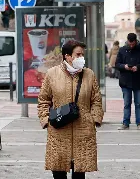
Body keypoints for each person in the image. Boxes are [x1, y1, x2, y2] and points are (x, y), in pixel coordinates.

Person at [37, 40, 104, 179]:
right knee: (58, 171)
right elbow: (43, 100)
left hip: (83, 131)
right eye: (78, 54)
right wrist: (46, 120)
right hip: (59, 131)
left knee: (80, 172)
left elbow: (96, 100)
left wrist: (94, 119)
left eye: (82, 55)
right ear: (67, 56)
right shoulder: (52, 74)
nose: (81, 58)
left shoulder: (89, 75)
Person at [115, 33, 140, 130]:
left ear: (136, 41)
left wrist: (138, 67)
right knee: (127, 103)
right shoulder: (122, 50)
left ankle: (139, 122)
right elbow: (117, 64)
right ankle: (125, 122)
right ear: (127, 41)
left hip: (138, 80)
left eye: (133, 44)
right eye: (130, 44)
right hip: (125, 81)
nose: (131, 46)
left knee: (138, 103)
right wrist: (125, 66)